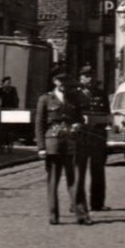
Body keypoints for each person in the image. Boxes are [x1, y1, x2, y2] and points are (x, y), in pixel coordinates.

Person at [35, 70, 86, 225]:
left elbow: (80, 117)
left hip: (71, 142)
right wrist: (41, 147)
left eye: (67, 83)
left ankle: (81, 214)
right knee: (53, 180)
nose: (65, 86)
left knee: (74, 179)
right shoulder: (45, 99)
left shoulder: (74, 98)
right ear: (56, 82)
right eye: (62, 83)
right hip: (53, 143)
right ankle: (53, 214)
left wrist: (79, 124)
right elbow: (39, 124)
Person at [71, 65, 110, 214]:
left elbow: (106, 114)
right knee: (79, 171)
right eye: (86, 76)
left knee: (98, 171)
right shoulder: (75, 94)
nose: (90, 78)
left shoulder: (101, 94)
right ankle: (76, 202)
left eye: (91, 75)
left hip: (97, 136)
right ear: (80, 78)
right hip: (81, 137)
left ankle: (98, 203)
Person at [0, 75, 20, 153]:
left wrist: (16, 108)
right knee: (2, 128)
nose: (9, 84)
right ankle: (1, 144)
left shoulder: (13, 89)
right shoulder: (1, 90)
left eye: (10, 82)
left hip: (11, 110)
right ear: (3, 83)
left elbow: (17, 99)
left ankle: (10, 145)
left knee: (10, 128)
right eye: (7, 82)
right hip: (3, 110)